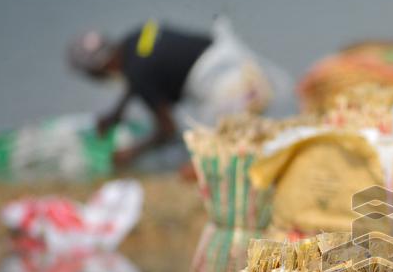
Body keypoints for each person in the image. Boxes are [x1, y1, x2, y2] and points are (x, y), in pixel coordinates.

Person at [68, 19, 281, 167]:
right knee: (251, 147)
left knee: (211, 163)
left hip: (229, 94)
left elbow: (167, 130)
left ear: (100, 69)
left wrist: (132, 153)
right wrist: (117, 113)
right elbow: (143, 72)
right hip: (249, 71)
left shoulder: (138, 74)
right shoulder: (134, 40)